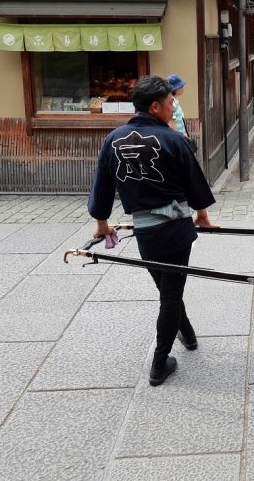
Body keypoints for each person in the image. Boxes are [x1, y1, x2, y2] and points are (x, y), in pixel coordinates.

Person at [88, 76, 217, 387]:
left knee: (167, 288)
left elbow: (103, 185)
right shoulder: (174, 140)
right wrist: (202, 216)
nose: (174, 109)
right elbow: (195, 183)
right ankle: (160, 363)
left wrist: (102, 223)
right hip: (175, 230)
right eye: (171, 104)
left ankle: (187, 334)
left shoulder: (113, 139)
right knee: (171, 293)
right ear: (155, 106)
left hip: (145, 231)